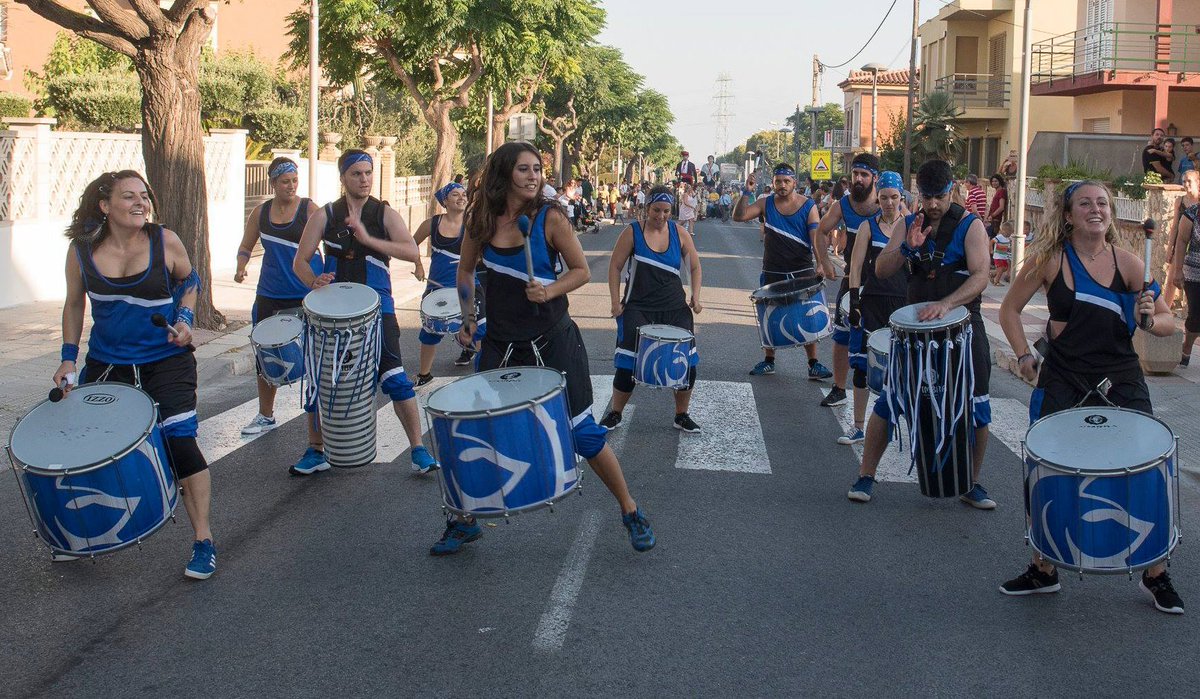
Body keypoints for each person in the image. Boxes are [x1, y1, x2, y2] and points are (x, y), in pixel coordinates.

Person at [431, 141, 655, 555]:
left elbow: (582, 271)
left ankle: (630, 509)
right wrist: (467, 319)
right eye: (523, 169)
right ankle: (463, 522)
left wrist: (549, 290)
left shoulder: (549, 218)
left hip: (553, 341)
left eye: (537, 169)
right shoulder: (481, 220)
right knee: (474, 429)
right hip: (500, 342)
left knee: (583, 434)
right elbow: (464, 272)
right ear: (504, 174)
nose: (533, 176)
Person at [997, 179, 1183, 614]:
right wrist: (1024, 355)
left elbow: (1166, 319)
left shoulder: (1131, 264)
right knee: (1047, 469)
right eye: (1085, 203)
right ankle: (1042, 568)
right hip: (1062, 378)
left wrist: (1151, 320)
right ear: (1067, 214)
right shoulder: (1048, 260)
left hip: (1121, 378)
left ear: (1111, 213)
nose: (1095, 209)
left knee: (1144, 470)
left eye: (1102, 203)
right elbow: (1008, 310)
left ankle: (1156, 574)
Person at [55, 170, 217, 579]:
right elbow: (75, 305)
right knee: (86, 447)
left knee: (181, 443)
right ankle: (84, 535)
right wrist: (68, 359)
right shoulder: (81, 252)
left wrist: (183, 318)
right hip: (109, 363)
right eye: (128, 197)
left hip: (166, 361)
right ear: (105, 206)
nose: (140, 202)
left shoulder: (165, 240)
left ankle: (203, 540)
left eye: (144, 195)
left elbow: (190, 279)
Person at [846, 159, 996, 509]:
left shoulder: (971, 226)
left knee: (976, 405)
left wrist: (946, 304)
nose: (932, 205)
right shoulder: (908, 223)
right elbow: (881, 270)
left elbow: (981, 277)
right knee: (890, 400)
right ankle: (866, 474)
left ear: (952, 190)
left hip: (962, 327)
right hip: (914, 331)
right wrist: (907, 247)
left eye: (939, 196)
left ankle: (970, 482)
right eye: (927, 196)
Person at [292, 149, 440, 475]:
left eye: (368, 173)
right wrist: (313, 281)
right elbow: (300, 261)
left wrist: (369, 238)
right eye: (357, 173)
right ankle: (316, 450)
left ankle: (417, 449)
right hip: (330, 313)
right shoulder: (325, 215)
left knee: (396, 378)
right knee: (322, 378)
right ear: (343, 177)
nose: (364, 179)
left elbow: (410, 250)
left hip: (378, 308)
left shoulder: (383, 213)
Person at [234, 158, 324, 450]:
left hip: (305, 294)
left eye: (295, 180)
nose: (291, 185)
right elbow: (246, 245)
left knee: (313, 359)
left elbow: (330, 243)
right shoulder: (261, 213)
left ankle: (319, 427)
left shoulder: (309, 209)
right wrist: (241, 265)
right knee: (266, 356)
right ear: (273, 183)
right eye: (285, 181)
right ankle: (265, 415)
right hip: (269, 294)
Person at [602, 185, 704, 432]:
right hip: (638, 307)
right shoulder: (632, 232)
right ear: (646, 208)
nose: (661, 216)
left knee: (687, 365)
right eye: (656, 210)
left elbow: (694, 267)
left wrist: (696, 296)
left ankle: (681, 415)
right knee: (627, 365)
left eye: (666, 211)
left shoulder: (680, 234)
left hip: (674, 308)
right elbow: (615, 267)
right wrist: (615, 302)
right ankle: (615, 413)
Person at [733, 162, 835, 380]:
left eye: (786, 181)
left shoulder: (808, 206)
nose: (782, 185)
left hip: (802, 269)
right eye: (778, 181)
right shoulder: (765, 203)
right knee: (769, 315)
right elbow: (739, 216)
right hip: (773, 269)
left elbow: (815, 236)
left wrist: (820, 262)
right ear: (773, 182)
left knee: (806, 316)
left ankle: (813, 363)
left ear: (794, 183)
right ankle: (769, 360)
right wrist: (746, 191)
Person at [841, 171, 909, 446]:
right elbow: (856, 266)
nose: (889, 203)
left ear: (902, 198)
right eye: (883, 198)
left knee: (899, 368)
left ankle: (892, 424)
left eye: (894, 197)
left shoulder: (910, 226)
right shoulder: (868, 227)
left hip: (901, 305)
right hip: (872, 302)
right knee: (862, 367)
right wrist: (855, 301)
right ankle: (858, 426)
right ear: (877, 198)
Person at [815, 153, 880, 410]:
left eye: (864, 175)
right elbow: (821, 231)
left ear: (874, 177)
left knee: (884, 338)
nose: (859, 179)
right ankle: (840, 388)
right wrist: (825, 261)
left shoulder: (888, 203)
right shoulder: (843, 205)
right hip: (851, 281)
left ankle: (891, 390)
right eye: (855, 174)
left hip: (882, 285)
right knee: (841, 337)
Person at [411, 182, 479, 385]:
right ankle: (424, 375)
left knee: (478, 327)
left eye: (463, 194)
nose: (461, 197)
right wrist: (418, 265)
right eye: (455, 194)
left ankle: (482, 372)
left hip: (466, 285)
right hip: (437, 286)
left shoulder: (472, 225)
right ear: (445, 201)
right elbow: (410, 244)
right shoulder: (431, 224)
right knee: (430, 332)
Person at [1170, 169, 1200, 366]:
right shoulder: (1191, 214)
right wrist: (1178, 270)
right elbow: (1181, 241)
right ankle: (1187, 346)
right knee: (1196, 314)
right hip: (1194, 272)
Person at [990, 220, 1013, 285]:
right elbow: (991, 242)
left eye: (1010, 232)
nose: (1009, 233)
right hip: (998, 255)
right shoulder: (999, 237)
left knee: (1005, 268)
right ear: (1003, 231)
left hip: (1004, 256)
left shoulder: (1009, 238)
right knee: (1001, 268)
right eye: (1008, 232)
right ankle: (996, 281)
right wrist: (991, 250)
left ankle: (993, 274)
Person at [986, 174, 1008, 238]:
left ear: (1000, 181)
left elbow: (1001, 207)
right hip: (992, 219)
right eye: (993, 181)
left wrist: (992, 215)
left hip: (995, 220)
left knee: (991, 238)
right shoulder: (997, 192)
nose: (994, 183)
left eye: (996, 181)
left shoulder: (1001, 192)